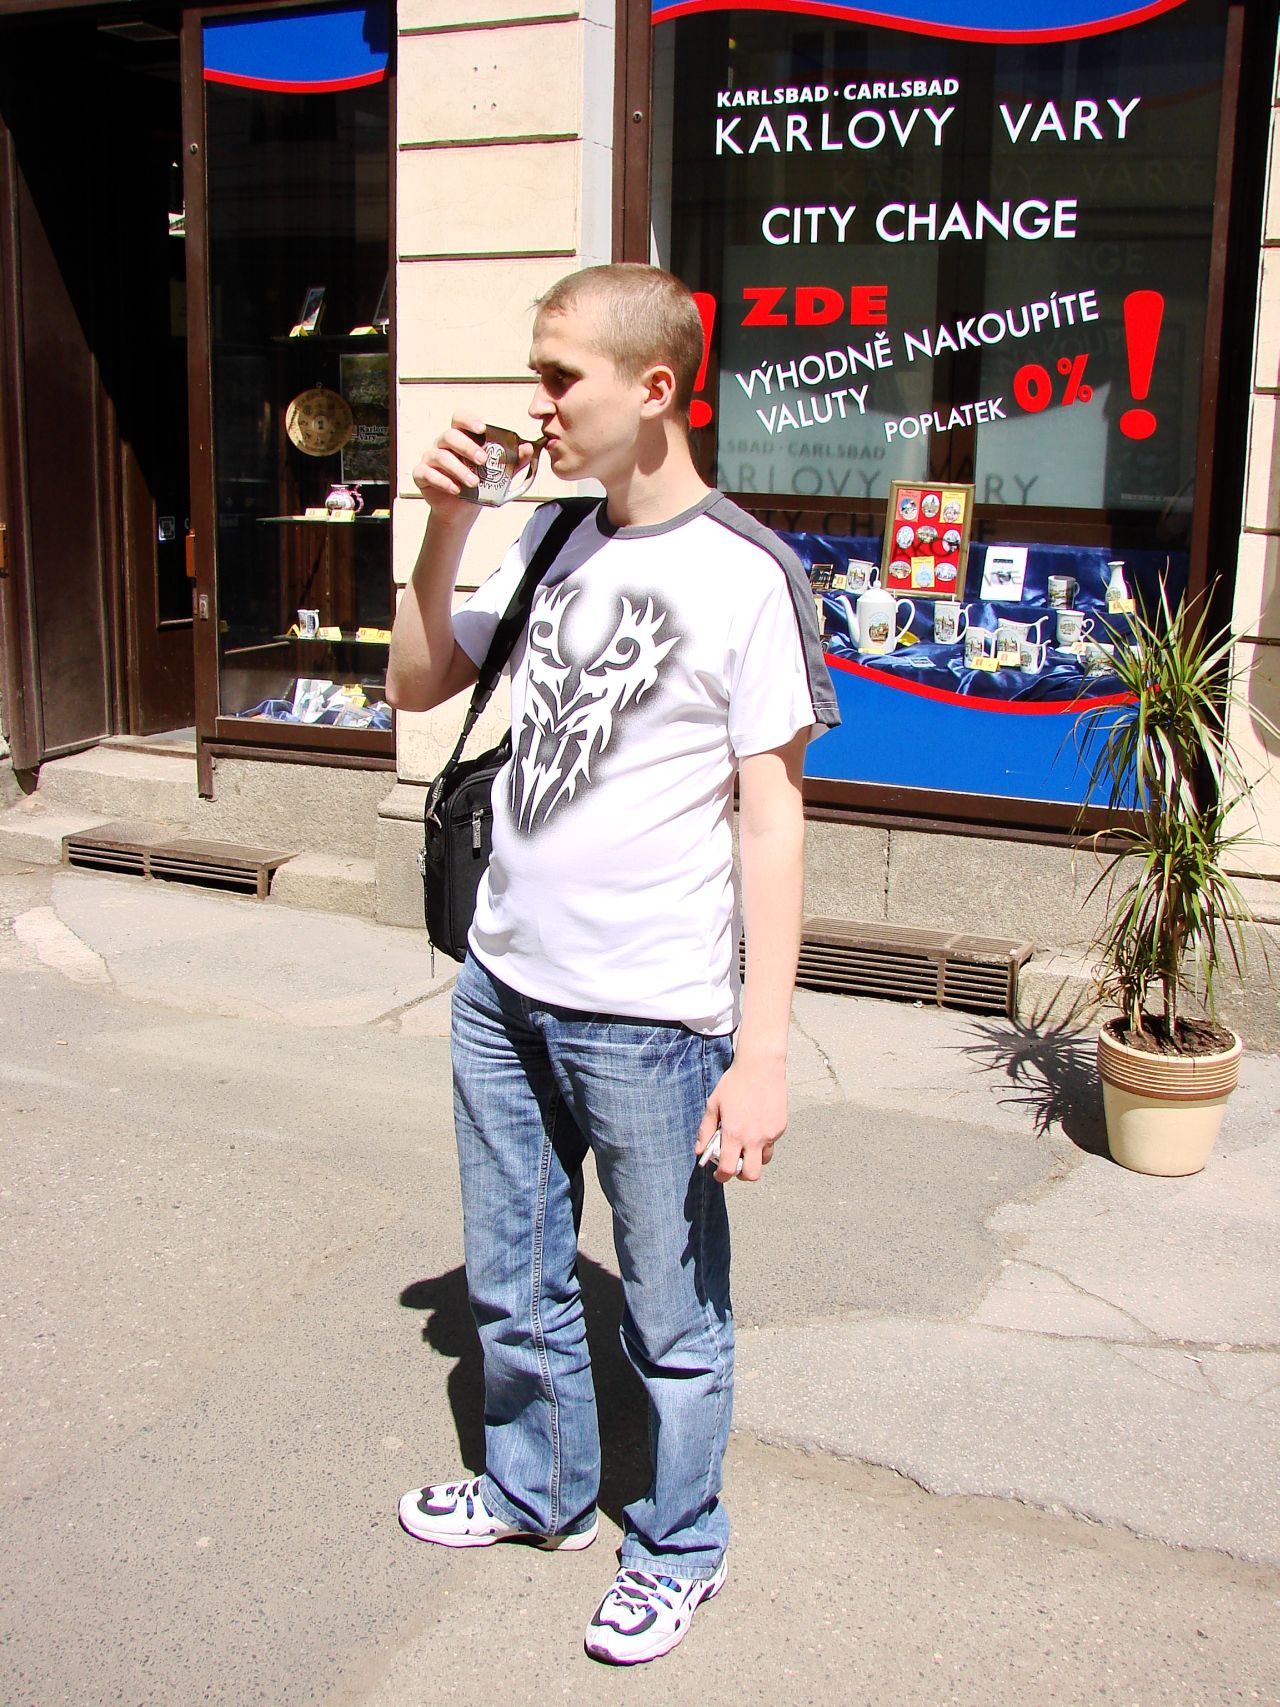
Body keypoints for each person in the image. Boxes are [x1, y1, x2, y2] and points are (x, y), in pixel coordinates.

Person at [386, 263, 839, 1666]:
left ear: (653, 389)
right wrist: (444, 526)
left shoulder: (746, 574)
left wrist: (764, 1053)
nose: (536, 405)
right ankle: (538, 1493)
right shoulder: (550, 537)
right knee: (514, 1274)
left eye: (557, 377)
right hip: (501, 983)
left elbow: (773, 818)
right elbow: (414, 682)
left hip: (650, 1019)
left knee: (673, 1315)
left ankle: (681, 1543)